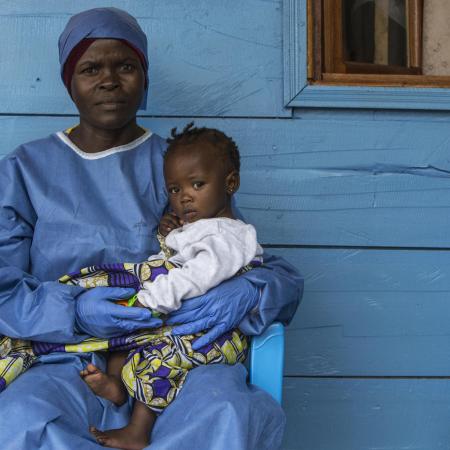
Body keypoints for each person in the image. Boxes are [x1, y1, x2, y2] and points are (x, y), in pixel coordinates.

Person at [0, 7, 303, 450]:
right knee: (20, 420)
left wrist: (251, 291)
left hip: (174, 359)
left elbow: (246, 255)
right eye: (90, 69)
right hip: (66, 359)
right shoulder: (25, 170)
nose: (109, 81)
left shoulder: (181, 166)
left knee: (227, 411)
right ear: (70, 82)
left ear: (145, 78)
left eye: (126, 66)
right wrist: (74, 311)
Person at [73, 122, 263, 449]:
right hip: (183, 318)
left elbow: (197, 274)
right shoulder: (202, 226)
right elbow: (178, 256)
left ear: (230, 183)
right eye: (174, 190)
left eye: (197, 184)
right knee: (125, 340)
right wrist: (168, 234)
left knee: (159, 358)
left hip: (212, 333)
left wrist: (150, 299)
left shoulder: (230, 235)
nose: (184, 197)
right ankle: (119, 388)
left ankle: (138, 429)